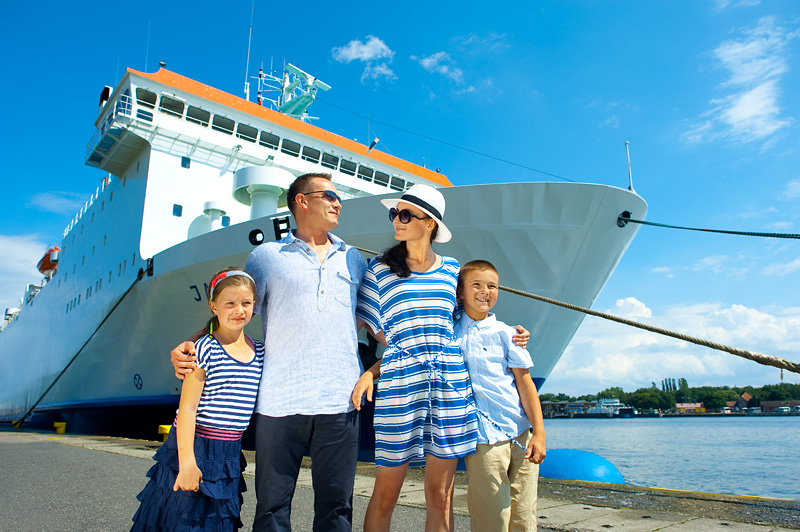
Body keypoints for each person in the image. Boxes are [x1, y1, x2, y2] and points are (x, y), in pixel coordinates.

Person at [170, 173, 366, 532]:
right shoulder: (266, 257)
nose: (338, 203)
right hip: (279, 401)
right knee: (272, 508)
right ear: (301, 201)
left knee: (337, 508)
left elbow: (371, 321)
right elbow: (236, 310)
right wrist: (194, 343)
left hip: (340, 400)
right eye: (329, 195)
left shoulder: (354, 259)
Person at [352, 184, 528, 532]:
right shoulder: (379, 270)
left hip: (449, 388)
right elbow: (369, 326)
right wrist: (374, 369)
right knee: (385, 494)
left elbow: (469, 319)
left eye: (404, 214)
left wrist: (511, 332)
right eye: (394, 213)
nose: (396, 220)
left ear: (429, 223)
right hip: (399, 387)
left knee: (440, 496)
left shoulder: (451, 269)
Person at [132, 267, 264, 531]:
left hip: (229, 452)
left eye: (246, 303)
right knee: (183, 519)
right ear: (213, 306)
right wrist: (187, 463)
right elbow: (188, 409)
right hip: (196, 445)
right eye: (230, 303)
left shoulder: (259, 351)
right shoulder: (204, 349)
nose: (239, 310)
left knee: (217, 522)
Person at [455, 260, 546, 532]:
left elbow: (525, 385)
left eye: (492, 286)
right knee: (491, 517)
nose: (485, 291)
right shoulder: (450, 332)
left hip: (521, 433)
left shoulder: (508, 334)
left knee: (524, 516)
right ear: (460, 292)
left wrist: (539, 434)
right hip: (483, 439)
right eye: (476, 285)